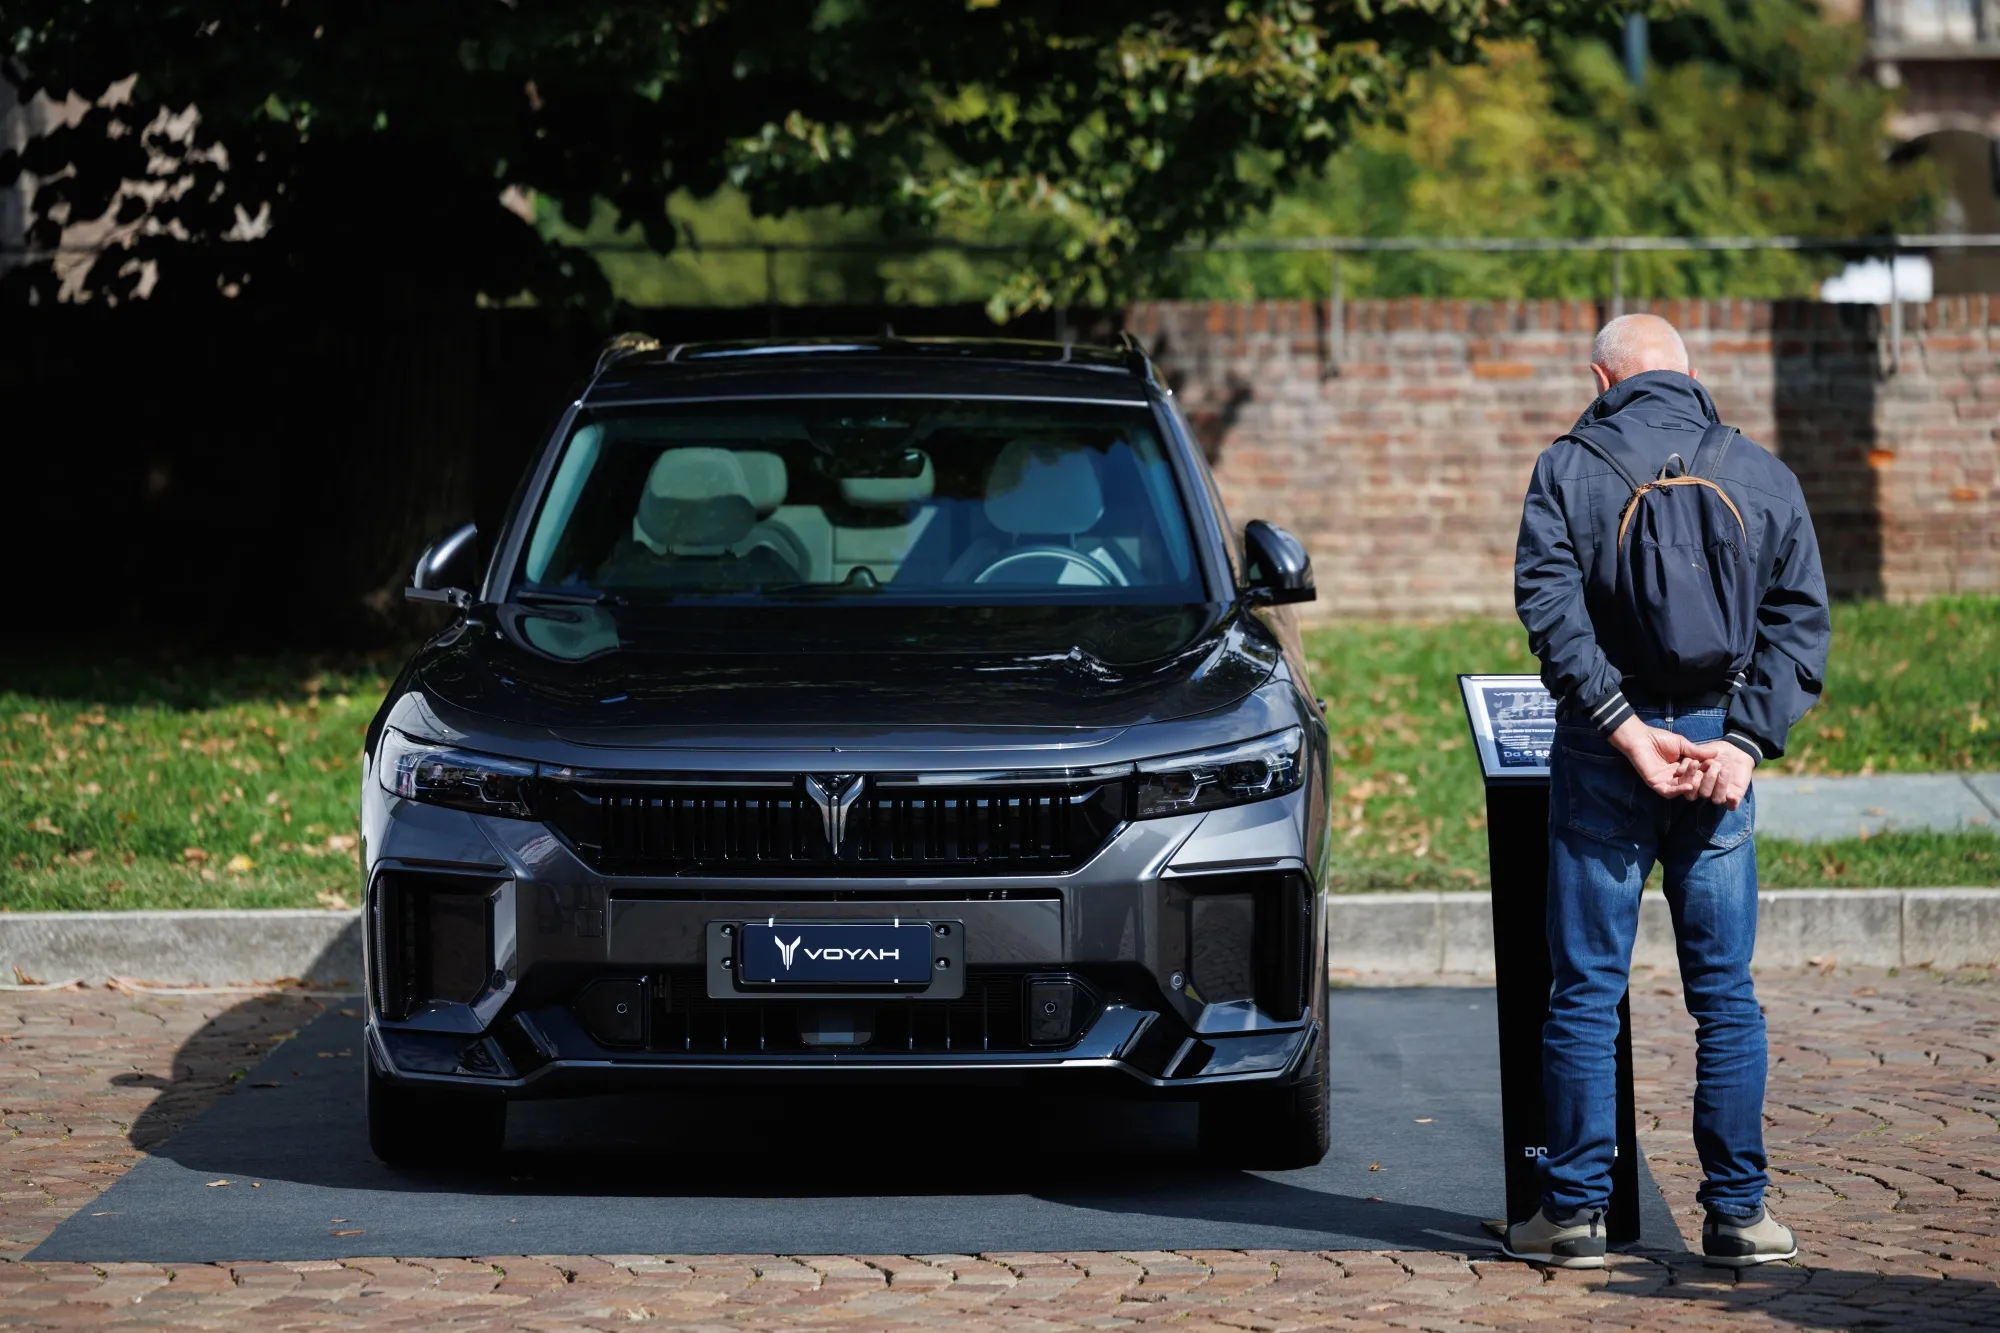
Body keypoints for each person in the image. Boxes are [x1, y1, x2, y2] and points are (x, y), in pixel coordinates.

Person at [1506, 314, 1830, 1269]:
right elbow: (1799, 626)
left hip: (1609, 751)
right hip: (1717, 746)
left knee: (1585, 992)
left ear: (1600, 376)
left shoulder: (1565, 468)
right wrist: (1741, 743)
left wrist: (1618, 725)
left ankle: (1569, 1216)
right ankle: (1739, 1215)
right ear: (1692, 373)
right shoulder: (1763, 472)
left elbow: (1549, 610)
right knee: (1725, 995)